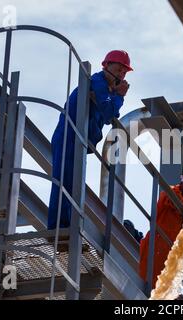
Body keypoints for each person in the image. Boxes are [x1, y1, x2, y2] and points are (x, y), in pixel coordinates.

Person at [48, 50, 133, 231]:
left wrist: (115, 97)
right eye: (118, 70)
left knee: (73, 184)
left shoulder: (106, 90)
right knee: (64, 182)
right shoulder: (97, 82)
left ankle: (67, 225)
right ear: (106, 66)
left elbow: (110, 115)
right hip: (69, 137)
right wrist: (119, 97)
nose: (121, 75)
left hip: (79, 140)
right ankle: (58, 227)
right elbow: (109, 112)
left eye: (124, 73)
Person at [138, 164, 183, 289]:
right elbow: (176, 202)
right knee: (146, 285)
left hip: (165, 257)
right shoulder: (170, 193)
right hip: (153, 251)